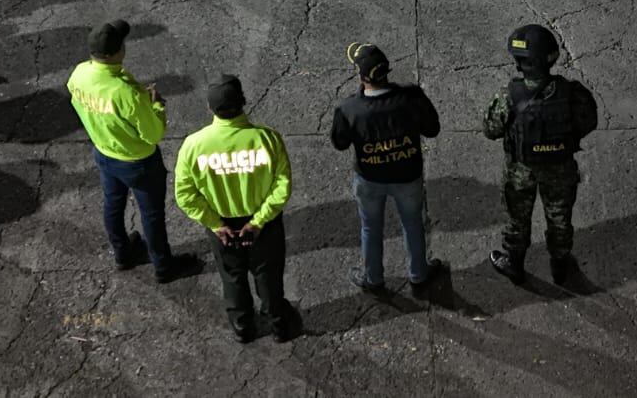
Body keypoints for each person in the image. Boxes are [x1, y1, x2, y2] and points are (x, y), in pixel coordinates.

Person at [68, 20, 197, 283]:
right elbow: (153, 134)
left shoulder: (79, 74)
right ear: (118, 52)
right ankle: (163, 267)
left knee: (112, 204)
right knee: (151, 214)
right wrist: (156, 106)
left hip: (104, 152)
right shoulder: (126, 93)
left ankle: (122, 253)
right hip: (138, 162)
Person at [174, 75, 300, 343]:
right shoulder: (267, 139)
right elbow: (282, 186)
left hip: (222, 226)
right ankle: (278, 325)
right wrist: (259, 221)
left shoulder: (193, 145)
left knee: (232, 278)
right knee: (268, 277)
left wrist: (215, 224)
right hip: (263, 224)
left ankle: (243, 327)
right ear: (243, 101)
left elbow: (185, 195)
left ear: (210, 108)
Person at [484, 24, 598, 287]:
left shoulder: (508, 96)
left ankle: (514, 263)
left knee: (517, 218)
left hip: (520, 171)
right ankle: (560, 265)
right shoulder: (572, 93)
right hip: (560, 168)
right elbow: (588, 122)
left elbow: (490, 129)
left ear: (521, 63)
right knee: (559, 217)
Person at [329, 42, 446, 295]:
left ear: (361, 75)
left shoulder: (349, 109)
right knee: (413, 223)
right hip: (408, 176)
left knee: (370, 228)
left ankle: (373, 278)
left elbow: (340, 143)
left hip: (370, 178)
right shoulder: (411, 97)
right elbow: (432, 129)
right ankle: (418, 274)